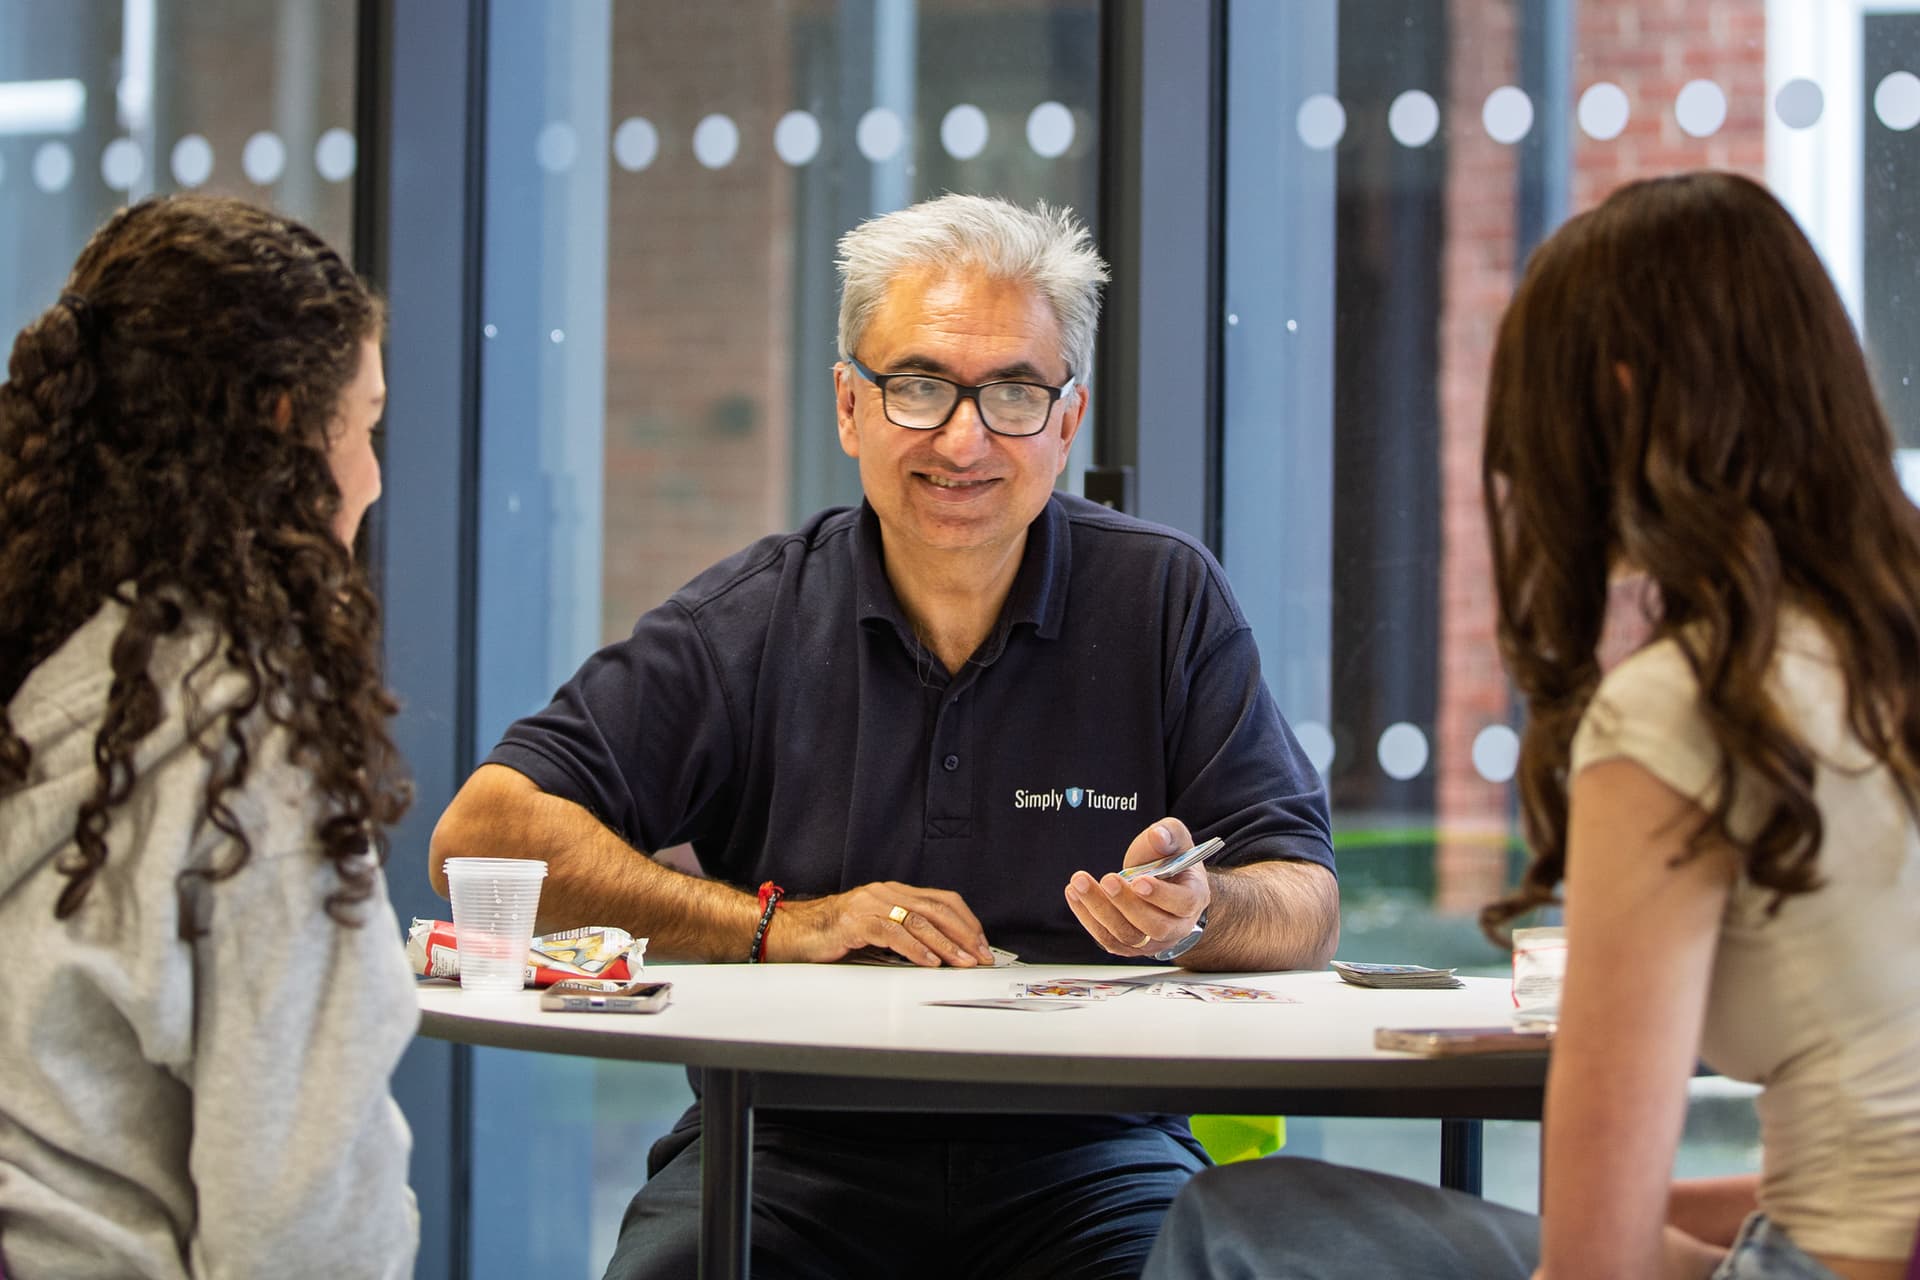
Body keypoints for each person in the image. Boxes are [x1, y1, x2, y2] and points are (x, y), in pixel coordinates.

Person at [430, 192, 1339, 1279]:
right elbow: (480, 835)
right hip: (789, 1140)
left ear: (1067, 418)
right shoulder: (751, 618)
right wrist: (777, 923)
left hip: (1091, 1147)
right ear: (850, 407)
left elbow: (1306, 900)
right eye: (918, 386)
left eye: (1011, 391)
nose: (965, 437)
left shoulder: (1162, 598)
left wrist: (1203, 909)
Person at [1143, 170, 1920, 1280]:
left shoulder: (1685, 710)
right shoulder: (1887, 645)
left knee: (1242, 1219)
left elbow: (1595, 1264)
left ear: (1616, 397)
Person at [0, 196, 418, 1278]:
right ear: (284, 425)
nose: (371, 476)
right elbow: (300, 1226)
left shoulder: (40, 673)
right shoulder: (252, 747)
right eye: (363, 424)